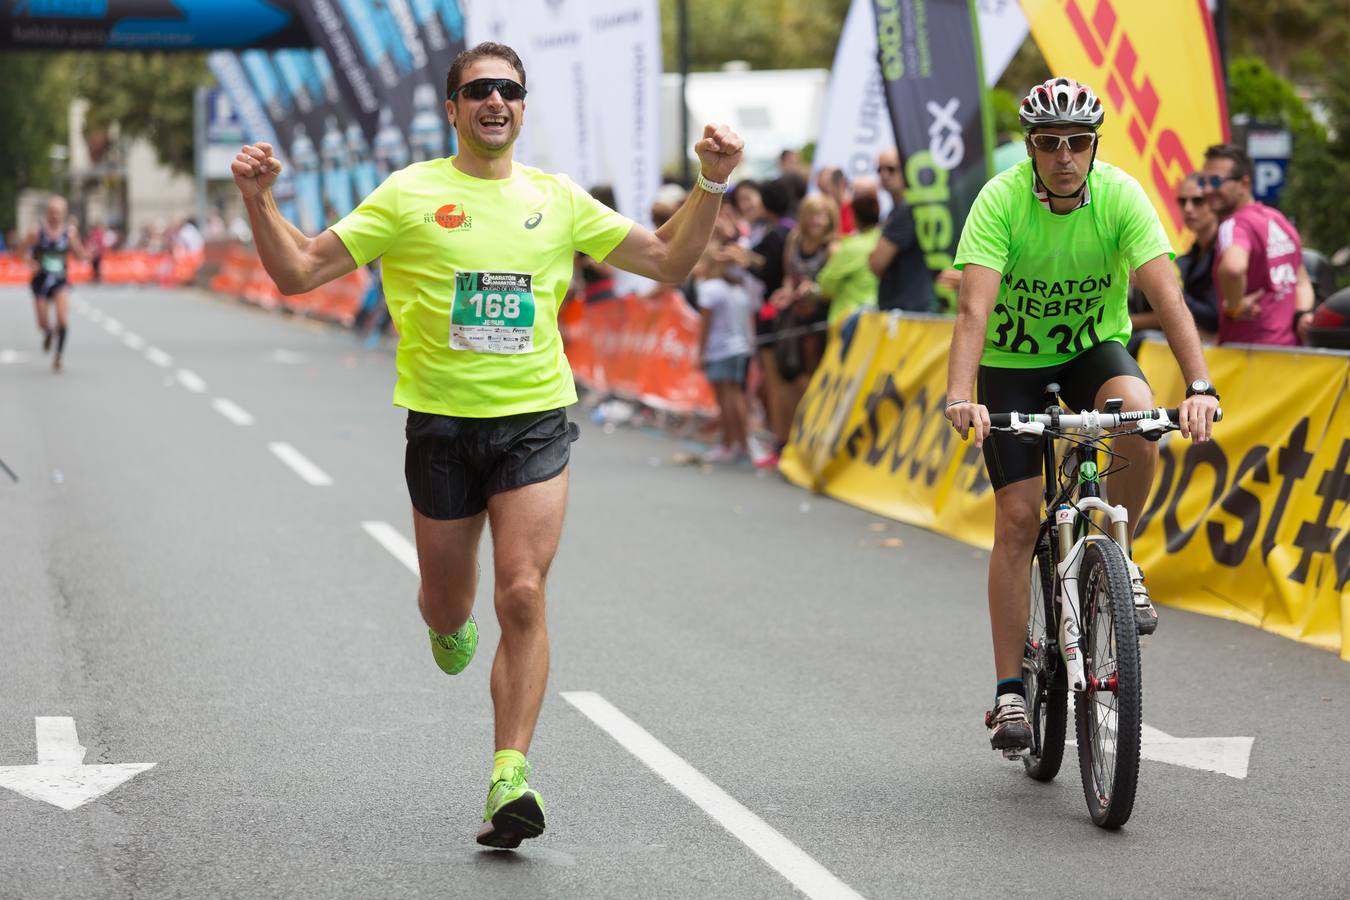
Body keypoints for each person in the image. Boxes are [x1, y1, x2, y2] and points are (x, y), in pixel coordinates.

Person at [230, 41, 743, 849]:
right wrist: (261, 202)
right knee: (450, 604)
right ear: (453, 109)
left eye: (509, 89)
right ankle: (444, 623)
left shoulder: (558, 199)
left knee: (524, 594)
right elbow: (299, 272)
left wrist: (711, 182)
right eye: (479, 91)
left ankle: (511, 774)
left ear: (523, 106)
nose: (495, 101)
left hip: (534, 419)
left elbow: (670, 260)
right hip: (439, 426)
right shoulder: (409, 195)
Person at [943, 78, 1220, 755]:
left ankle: (1121, 561)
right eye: (1048, 142)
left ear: (1094, 146)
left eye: (1078, 141)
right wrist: (960, 395)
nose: (1064, 154)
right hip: (1013, 361)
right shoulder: (1000, 200)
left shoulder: (1121, 195)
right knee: (1016, 518)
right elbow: (973, 309)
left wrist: (1201, 384)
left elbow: (1169, 296)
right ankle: (1011, 687)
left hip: (1093, 348)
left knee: (1139, 418)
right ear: (1031, 147)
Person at [1201, 144, 1315, 346]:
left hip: (1248, 357)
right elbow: (1302, 282)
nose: (1208, 189)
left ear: (1244, 184)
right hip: (1292, 357)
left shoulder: (1233, 224)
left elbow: (1233, 268)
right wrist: (1303, 314)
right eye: (1204, 180)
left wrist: (1234, 306)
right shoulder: (1279, 220)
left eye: (1217, 181)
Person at [1130, 174, 1220, 345]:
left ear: (1214, 201)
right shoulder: (1189, 258)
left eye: (1197, 201)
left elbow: (1212, 317)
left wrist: (1161, 285)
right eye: (1182, 201)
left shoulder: (1224, 250)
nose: (1188, 208)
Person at [697, 235, 758, 463]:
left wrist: (700, 353)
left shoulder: (711, 289)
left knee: (726, 399)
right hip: (739, 348)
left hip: (720, 348)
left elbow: (705, 326)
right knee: (736, 395)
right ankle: (741, 442)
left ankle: (728, 443)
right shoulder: (738, 290)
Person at [869, 146, 938, 313]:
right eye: (880, 169)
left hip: (909, 310)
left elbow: (876, 263)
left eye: (891, 169)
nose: (884, 175)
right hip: (907, 307)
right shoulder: (898, 210)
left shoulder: (906, 210)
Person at [23, 196, 87, 373]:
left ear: (64, 214)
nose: (55, 215)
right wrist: (31, 262)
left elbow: (80, 255)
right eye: (51, 211)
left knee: (62, 318)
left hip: (60, 280)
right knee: (43, 322)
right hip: (40, 280)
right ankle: (48, 333)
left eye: (58, 212)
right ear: (46, 213)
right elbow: (21, 251)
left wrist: (78, 246)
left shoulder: (69, 232)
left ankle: (58, 355)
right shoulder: (36, 232)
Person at [815, 179, 882, 325]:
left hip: (850, 324)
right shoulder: (883, 239)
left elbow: (825, 284)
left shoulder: (851, 247)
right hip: (876, 321)